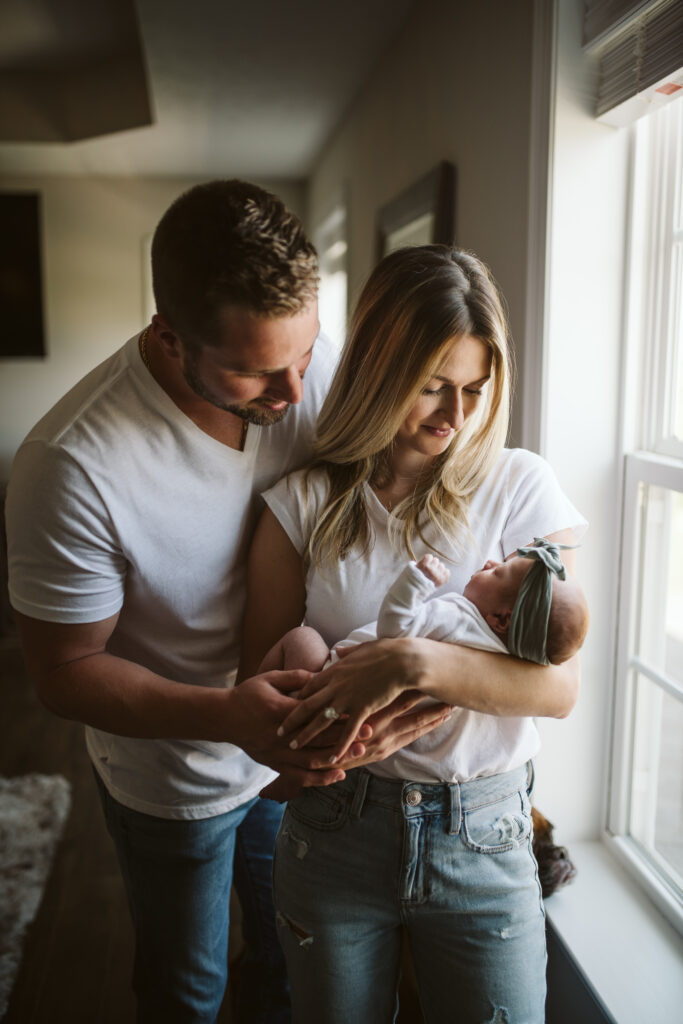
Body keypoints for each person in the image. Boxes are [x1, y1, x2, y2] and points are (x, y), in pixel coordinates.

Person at [5, 181, 452, 1024]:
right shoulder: (71, 467)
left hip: (301, 752)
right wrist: (226, 716)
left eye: (306, 351)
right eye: (253, 372)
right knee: (187, 990)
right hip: (173, 778)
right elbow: (62, 673)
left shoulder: (311, 367)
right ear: (169, 337)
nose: (295, 391)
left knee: (292, 963)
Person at [240, 245, 588, 1024]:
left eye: (473, 389)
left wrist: (407, 661)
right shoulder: (298, 506)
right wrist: (301, 747)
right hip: (333, 829)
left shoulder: (519, 487)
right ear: (376, 368)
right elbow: (253, 699)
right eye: (431, 386)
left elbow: (557, 687)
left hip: (484, 833)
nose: (454, 416)